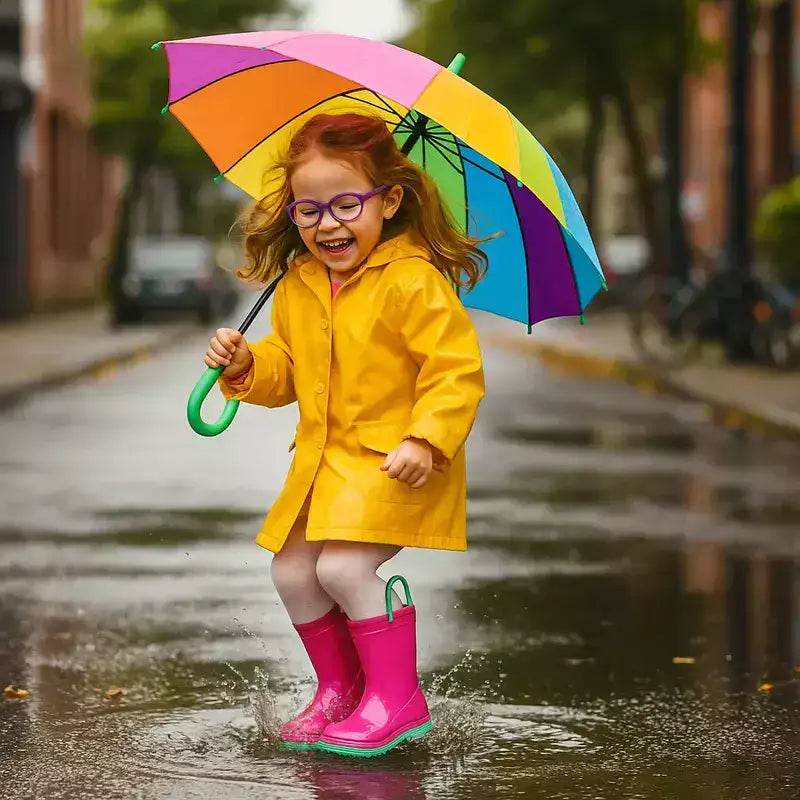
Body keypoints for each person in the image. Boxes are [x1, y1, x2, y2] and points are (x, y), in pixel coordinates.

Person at [204, 113, 485, 757]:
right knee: (292, 571)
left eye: (347, 205)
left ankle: (397, 699)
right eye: (309, 210)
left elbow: (456, 371)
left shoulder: (412, 280)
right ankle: (343, 688)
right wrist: (247, 365)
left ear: (389, 201)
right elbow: (289, 369)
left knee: (344, 567)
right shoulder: (299, 283)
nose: (327, 224)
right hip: (325, 467)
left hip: (396, 461)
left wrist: (426, 440)